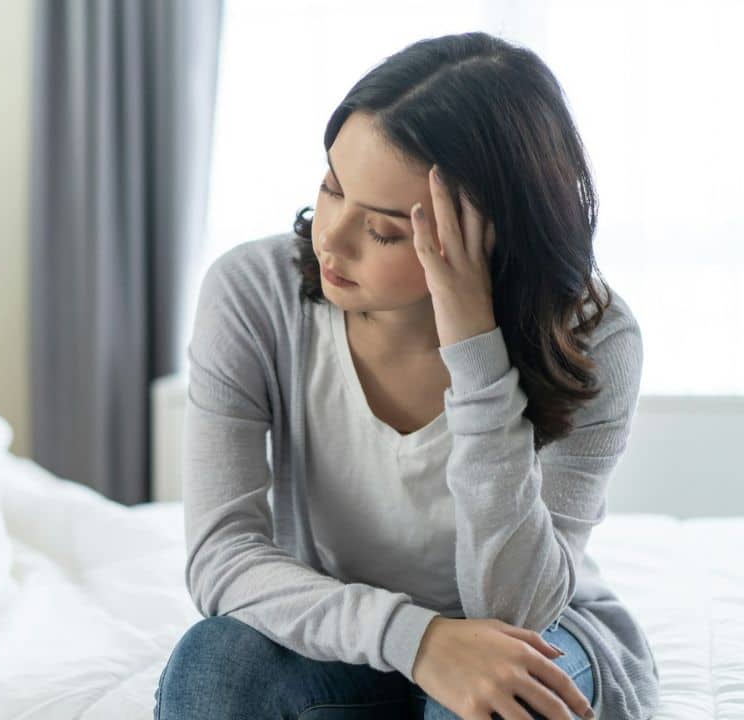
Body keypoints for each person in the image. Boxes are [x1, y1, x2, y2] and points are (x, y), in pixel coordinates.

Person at [156, 32, 660, 719]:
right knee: (217, 663)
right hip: (335, 627)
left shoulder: (593, 338)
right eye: (332, 187)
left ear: (493, 237)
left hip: (530, 633)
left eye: (387, 231)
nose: (331, 237)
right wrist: (419, 641)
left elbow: (517, 607)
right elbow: (223, 558)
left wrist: (474, 341)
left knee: (497, 701)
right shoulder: (254, 292)